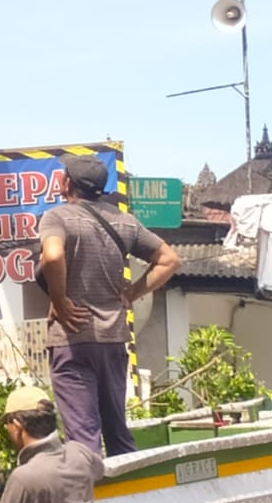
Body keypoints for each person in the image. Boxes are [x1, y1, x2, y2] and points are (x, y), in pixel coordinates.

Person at [38, 153, 179, 457]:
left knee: (83, 439)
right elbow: (169, 260)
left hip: (73, 339)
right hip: (113, 338)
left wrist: (60, 300)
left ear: (67, 184)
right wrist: (131, 294)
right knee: (118, 432)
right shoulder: (125, 222)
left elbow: (52, 255)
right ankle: (130, 500)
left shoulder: (57, 217)